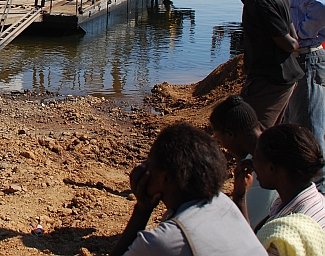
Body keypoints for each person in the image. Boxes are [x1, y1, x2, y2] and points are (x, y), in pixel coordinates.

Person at [111, 122, 266, 255]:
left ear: (166, 178)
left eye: (150, 163)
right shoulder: (223, 203)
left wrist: (142, 210)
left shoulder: (163, 241)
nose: (145, 169)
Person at [207, 0, 303, 127]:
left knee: (254, 131)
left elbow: (290, 44)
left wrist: (296, 46)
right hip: (280, 76)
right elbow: (292, 33)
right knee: (269, 133)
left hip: (270, 80)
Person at [283, 0, 325, 170]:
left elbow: (321, 7)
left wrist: (301, 34)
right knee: (300, 121)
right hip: (305, 57)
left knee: (310, 127)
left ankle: (318, 188)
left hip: (309, 57)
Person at [252, 124, 325, 255]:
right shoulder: (320, 202)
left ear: (272, 168)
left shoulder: (282, 240)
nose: (253, 164)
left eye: (255, 158)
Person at [210, 95, 278, 228]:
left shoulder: (260, 170)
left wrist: (238, 196)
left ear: (230, 134)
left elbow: (244, 229)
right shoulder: (277, 145)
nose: (222, 145)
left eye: (219, 139)